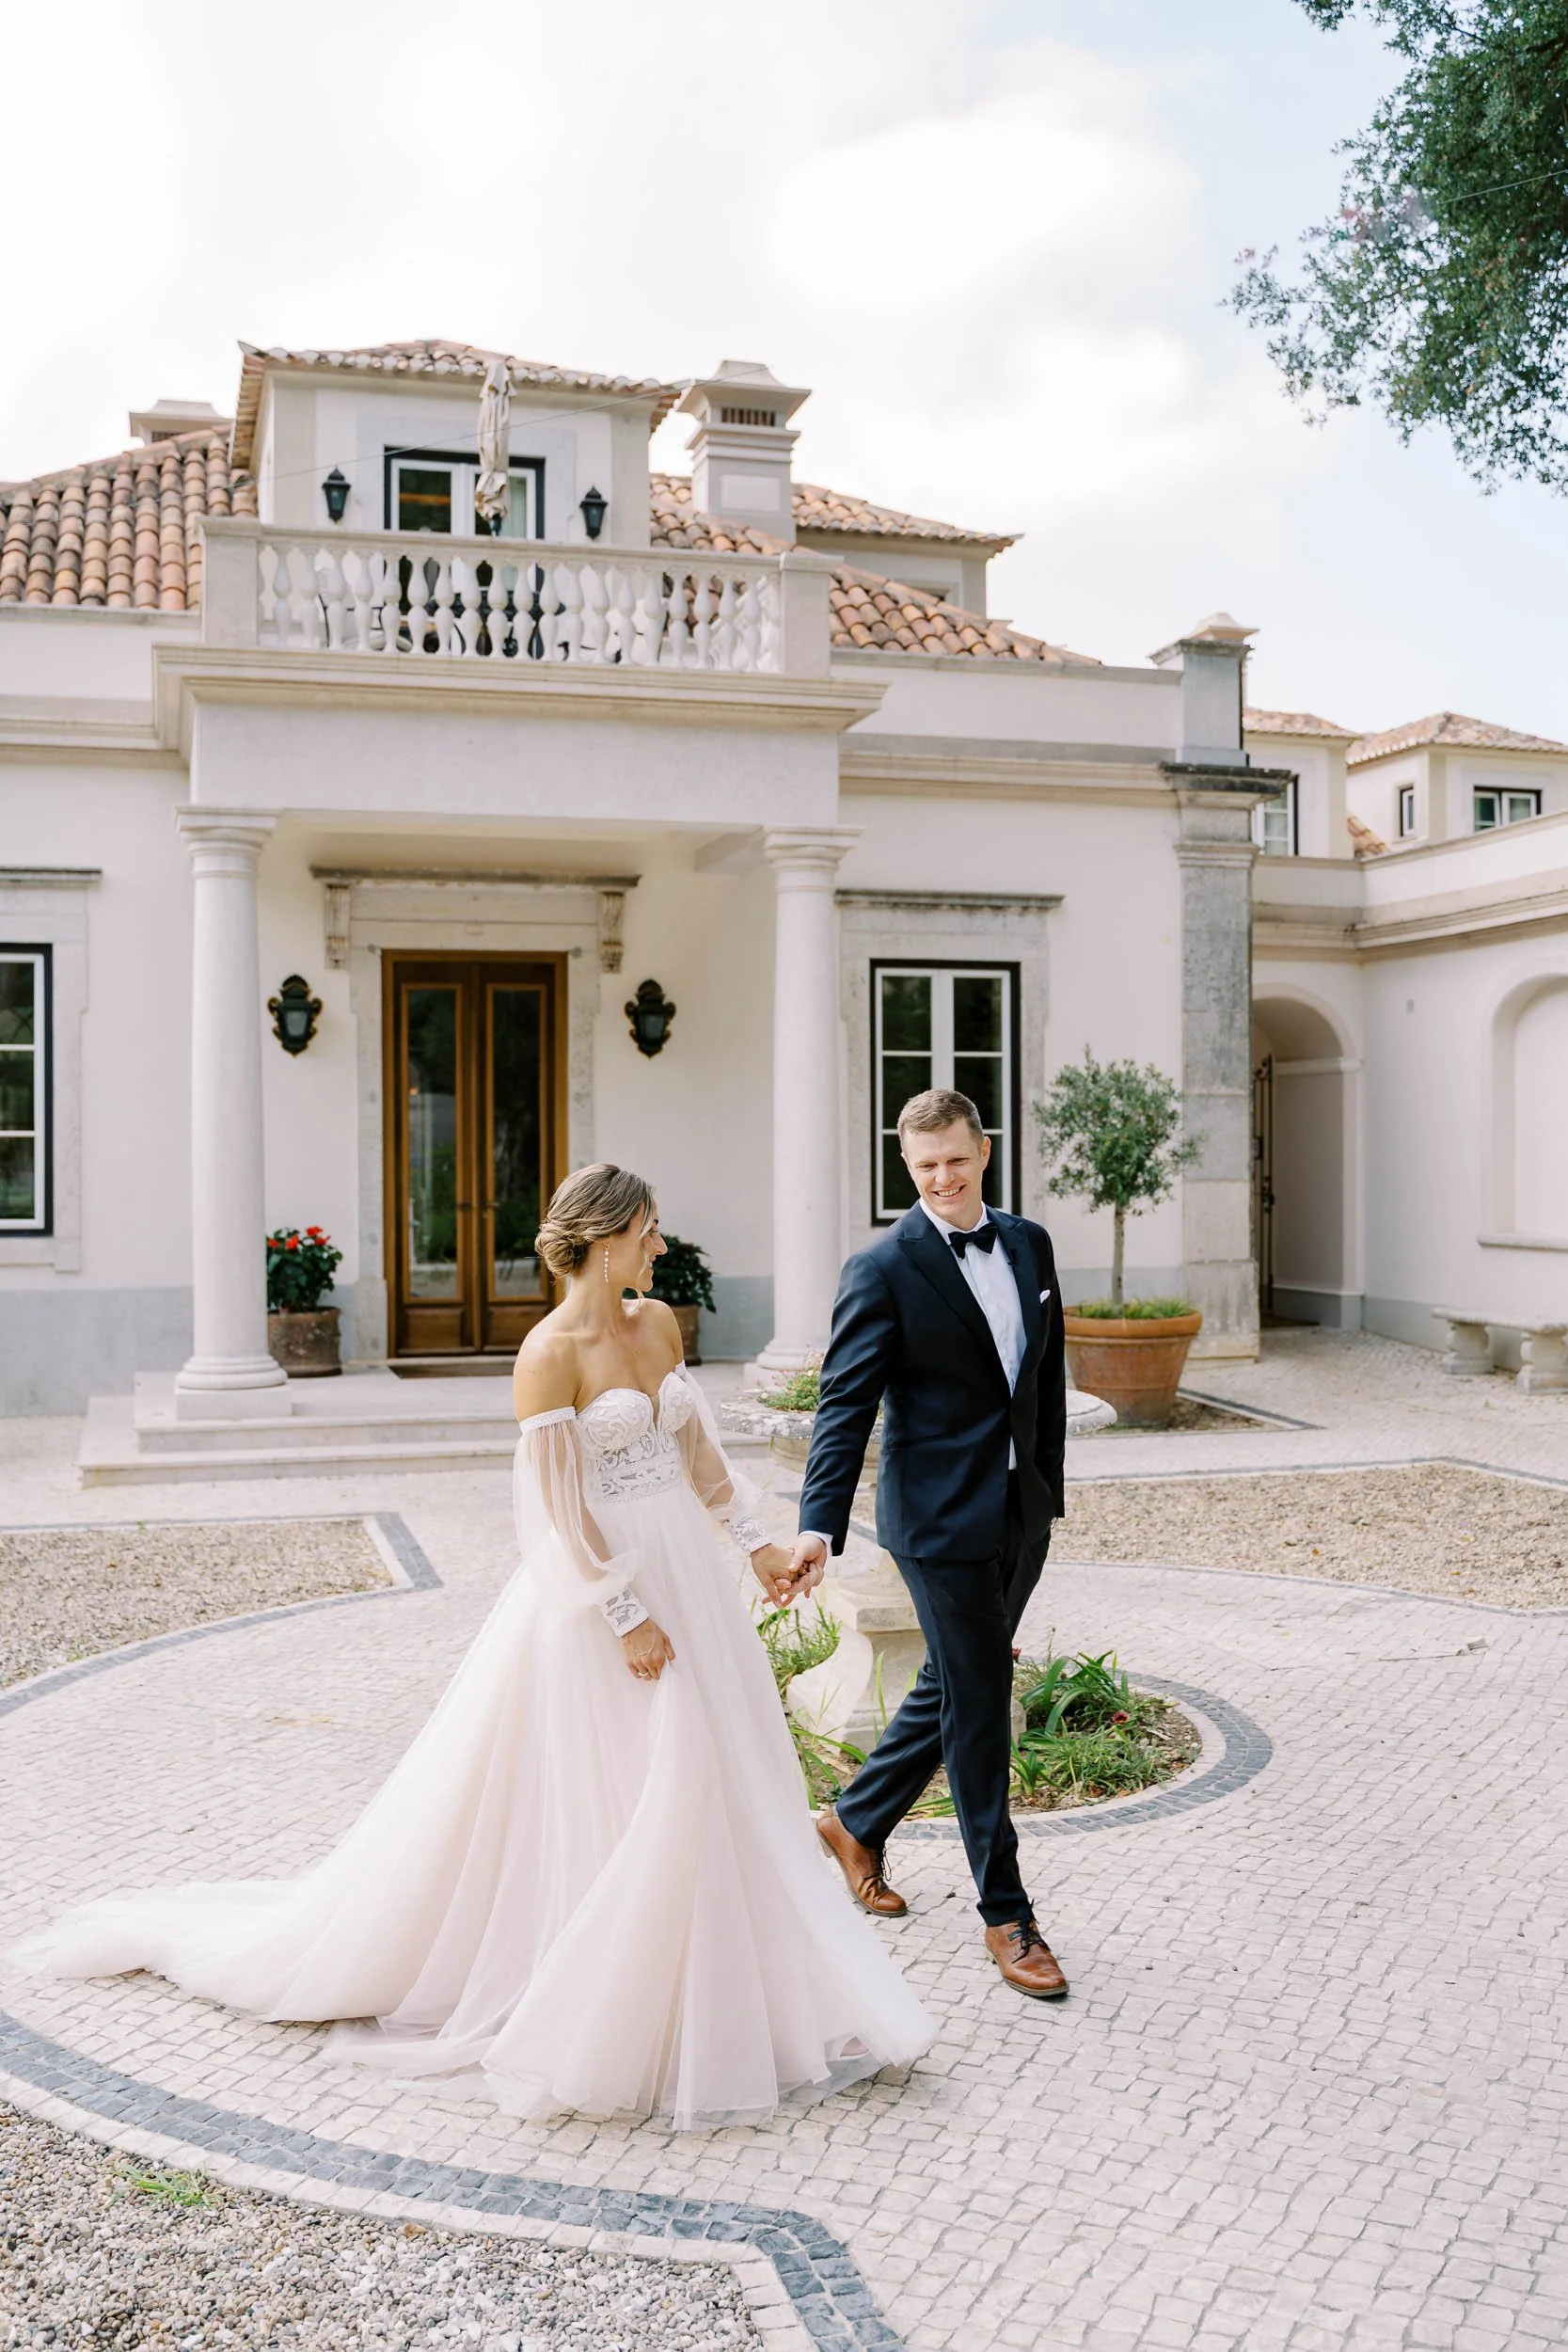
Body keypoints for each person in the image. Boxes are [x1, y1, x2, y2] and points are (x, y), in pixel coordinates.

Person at [12, 1164, 933, 2129]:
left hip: (690, 1584)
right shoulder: (546, 1353)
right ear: (608, 1234)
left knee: (716, 1775)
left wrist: (758, 1550)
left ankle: (726, 1989)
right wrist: (624, 1615)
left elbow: (699, 1462)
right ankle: (608, 1997)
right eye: (651, 1230)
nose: (662, 1247)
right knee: (633, 1783)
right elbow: (554, 1506)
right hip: (605, 1594)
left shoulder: (658, 1324)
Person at [788, 1089, 1069, 1998]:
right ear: (905, 1169)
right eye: (922, 1167)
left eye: (954, 1159)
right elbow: (844, 1404)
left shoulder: (1028, 1243)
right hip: (937, 1523)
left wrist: (1048, 1488)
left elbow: (1043, 1378)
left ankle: (853, 1821)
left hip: (1021, 1510)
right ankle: (1007, 1914)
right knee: (981, 1703)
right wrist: (817, 1526)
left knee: (956, 1678)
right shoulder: (882, 1267)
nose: (942, 1179)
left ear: (982, 1150)